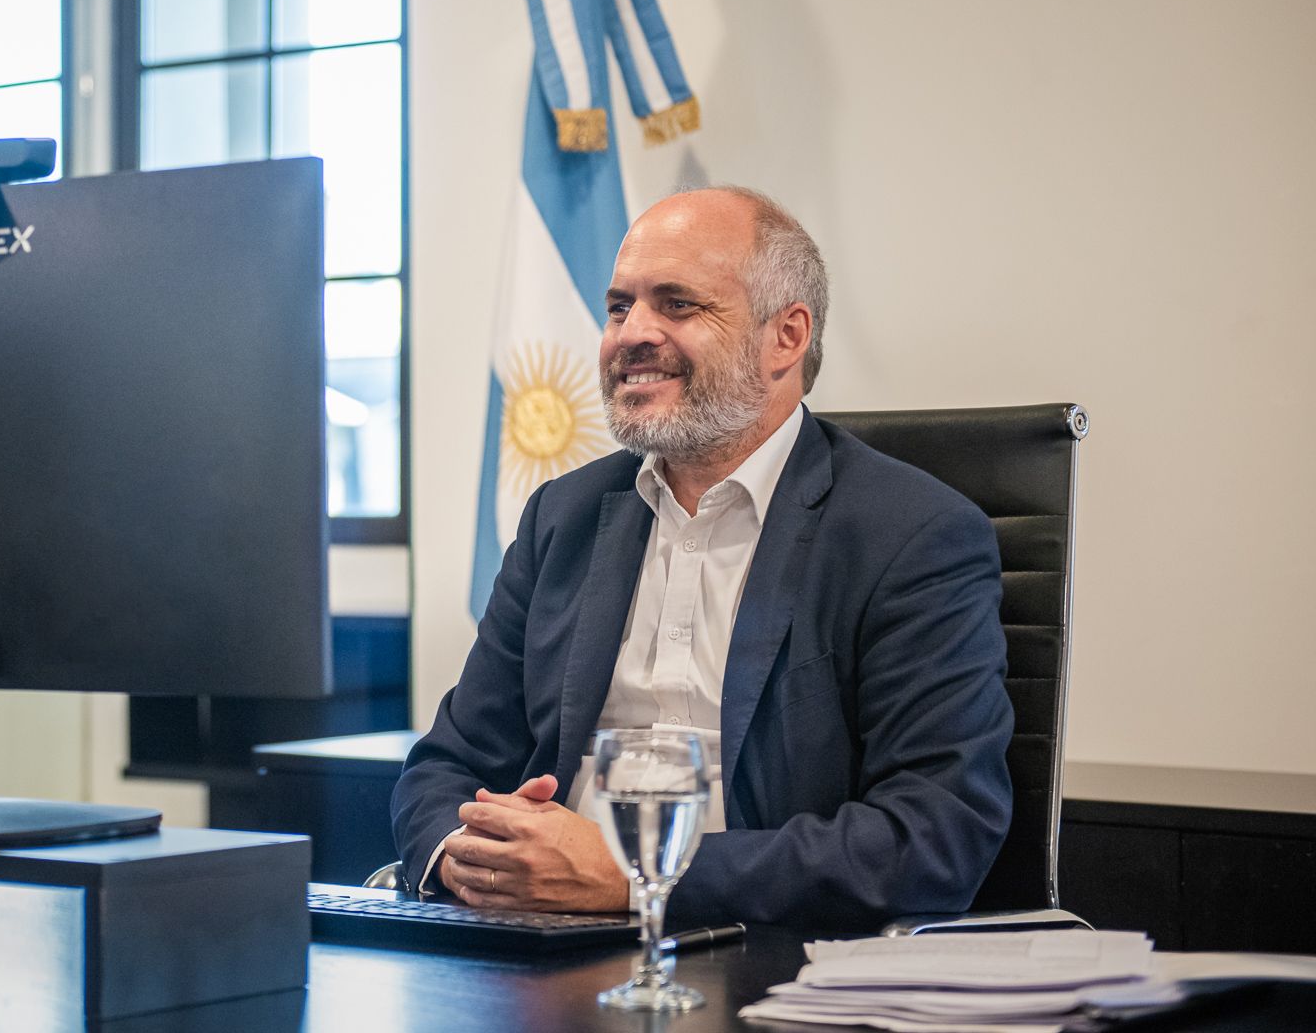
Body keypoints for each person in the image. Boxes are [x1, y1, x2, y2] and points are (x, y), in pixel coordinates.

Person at [391, 187, 1014, 931]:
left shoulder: (912, 536)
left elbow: (932, 837)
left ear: (785, 337)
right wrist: (471, 856)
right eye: (619, 307)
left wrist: (628, 878)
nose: (631, 334)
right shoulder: (564, 518)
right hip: (540, 951)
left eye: (678, 305)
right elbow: (445, 766)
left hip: (759, 955)